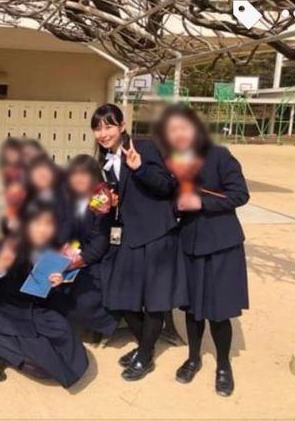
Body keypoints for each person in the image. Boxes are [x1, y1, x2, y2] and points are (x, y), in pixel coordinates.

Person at [154, 104, 249, 397]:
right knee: (192, 309)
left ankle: (223, 365)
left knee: (219, 312)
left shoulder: (219, 154)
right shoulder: (173, 162)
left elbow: (240, 194)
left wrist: (201, 203)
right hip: (190, 243)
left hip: (221, 243)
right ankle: (193, 358)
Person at [91, 103, 188, 381]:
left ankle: (144, 355)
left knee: (155, 300)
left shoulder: (143, 147)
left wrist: (140, 168)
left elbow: (167, 185)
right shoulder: (105, 158)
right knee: (122, 296)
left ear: (122, 126)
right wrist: (106, 202)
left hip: (156, 234)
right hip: (129, 236)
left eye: (109, 126)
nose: (103, 133)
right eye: (97, 128)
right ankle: (146, 344)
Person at [0, 200, 89, 388]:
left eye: (48, 224)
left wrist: (55, 282)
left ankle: (6, 346)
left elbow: (38, 290)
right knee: (42, 369)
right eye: (38, 223)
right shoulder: (3, 249)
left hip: (28, 309)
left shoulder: (46, 249)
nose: (43, 230)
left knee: (65, 336)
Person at [48, 154, 119, 338]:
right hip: (65, 253)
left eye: (84, 175)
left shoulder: (100, 201)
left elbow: (99, 243)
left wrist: (74, 262)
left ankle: (98, 328)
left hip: (91, 259)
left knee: (85, 297)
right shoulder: (63, 199)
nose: (78, 179)